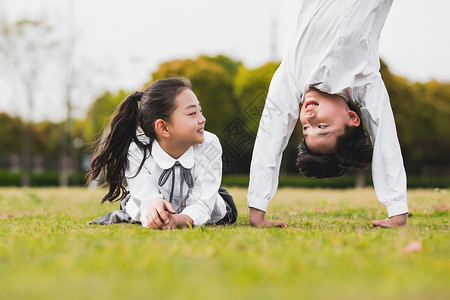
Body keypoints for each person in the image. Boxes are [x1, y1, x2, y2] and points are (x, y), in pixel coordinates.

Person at [247, 0, 408, 228]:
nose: (309, 118)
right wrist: (397, 210)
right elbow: (385, 137)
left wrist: (257, 211)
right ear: (352, 118)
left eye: (305, 128)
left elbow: (270, 137)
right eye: (322, 127)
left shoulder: (291, 78)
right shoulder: (365, 79)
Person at [87, 78, 237, 229]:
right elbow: (145, 196)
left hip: (201, 196)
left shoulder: (209, 143)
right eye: (192, 113)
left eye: (200, 111)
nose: (202, 119)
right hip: (148, 196)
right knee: (134, 203)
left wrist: (179, 219)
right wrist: (153, 207)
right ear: (163, 127)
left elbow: (203, 204)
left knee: (221, 205)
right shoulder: (137, 149)